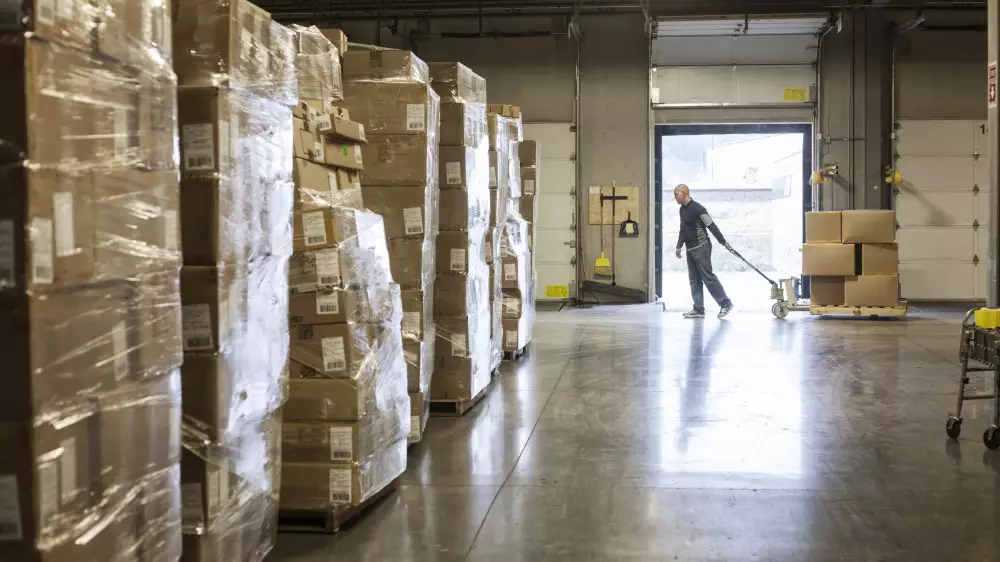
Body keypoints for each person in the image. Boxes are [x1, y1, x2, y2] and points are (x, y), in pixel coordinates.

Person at [674, 184, 734, 319]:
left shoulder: (698, 209)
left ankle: (725, 303)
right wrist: (679, 246)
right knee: (694, 280)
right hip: (690, 248)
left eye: (676, 194)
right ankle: (698, 309)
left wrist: (723, 241)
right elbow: (683, 229)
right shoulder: (682, 209)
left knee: (708, 277)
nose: (675, 197)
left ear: (683, 193)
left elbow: (711, 225)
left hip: (701, 247)